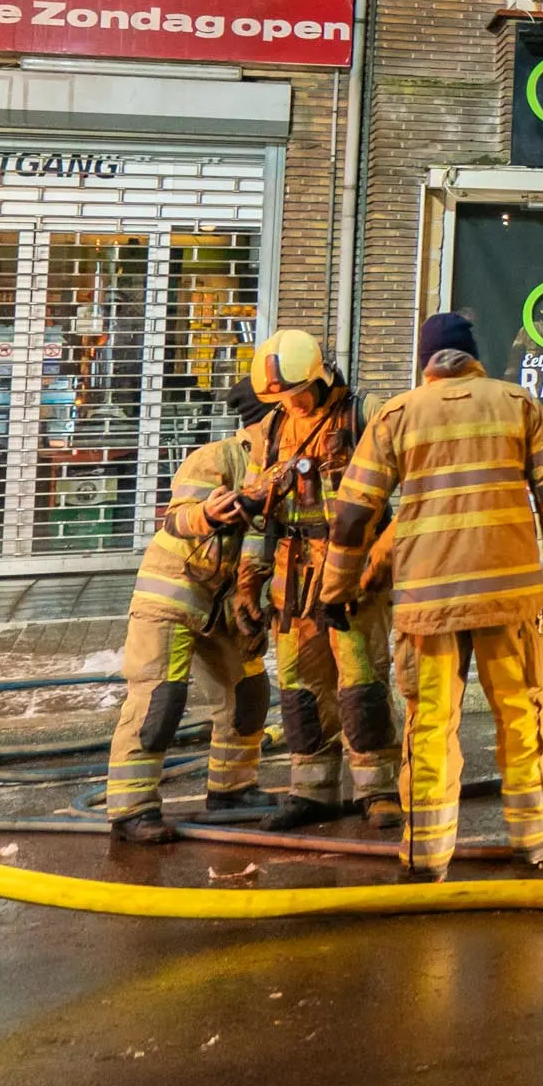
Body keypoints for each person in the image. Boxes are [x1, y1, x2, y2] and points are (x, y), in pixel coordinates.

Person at [322, 310, 543, 882]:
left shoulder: (396, 415)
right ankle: (535, 840)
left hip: (426, 605)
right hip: (508, 597)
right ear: (473, 354)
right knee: (522, 712)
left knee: (430, 722)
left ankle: (426, 855)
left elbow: (352, 516)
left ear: (426, 363)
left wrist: (337, 588)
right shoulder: (518, 403)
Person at [105, 379, 279, 843]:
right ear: (263, 420)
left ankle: (232, 789)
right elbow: (177, 517)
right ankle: (132, 809)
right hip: (172, 598)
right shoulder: (216, 459)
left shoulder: (283, 469)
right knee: (160, 700)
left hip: (225, 604)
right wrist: (208, 515)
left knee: (250, 694)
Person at [237, 329, 397, 834]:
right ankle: (311, 791)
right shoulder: (274, 428)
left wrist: (379, 563)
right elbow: (257, 513)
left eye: (298, 394)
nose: (292, 404)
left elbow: (410, 497)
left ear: (322, 378)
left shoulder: (364, 414)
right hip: (292, 575)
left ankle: (378, 790)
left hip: (354, 574)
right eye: (281, 398)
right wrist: (248, 582)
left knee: (361, 683)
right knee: (300, 686)